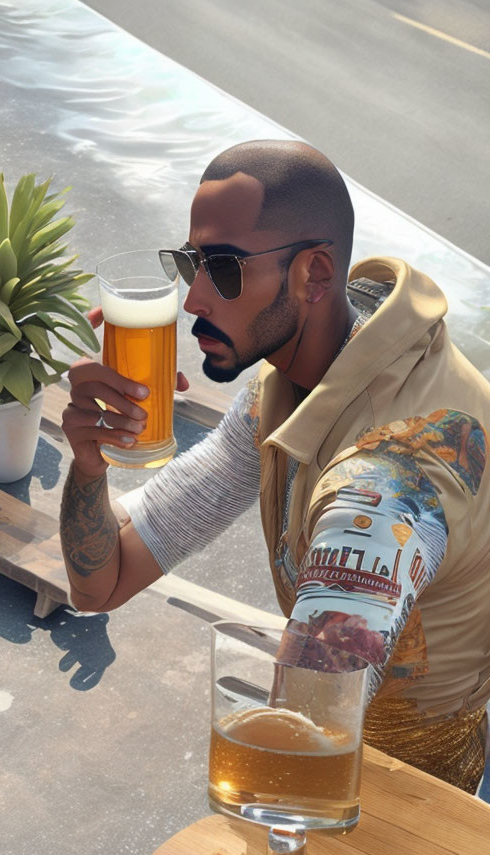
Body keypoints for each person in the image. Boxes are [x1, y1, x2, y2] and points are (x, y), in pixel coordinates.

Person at [60, 139, 490, 796]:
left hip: (419, 807)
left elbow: (306, 738)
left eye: (224, 269)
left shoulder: (385, 484)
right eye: (190, 263)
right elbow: (101, 583)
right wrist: (90, 465)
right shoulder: (292, 386)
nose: (194, 299)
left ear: (316, 275)